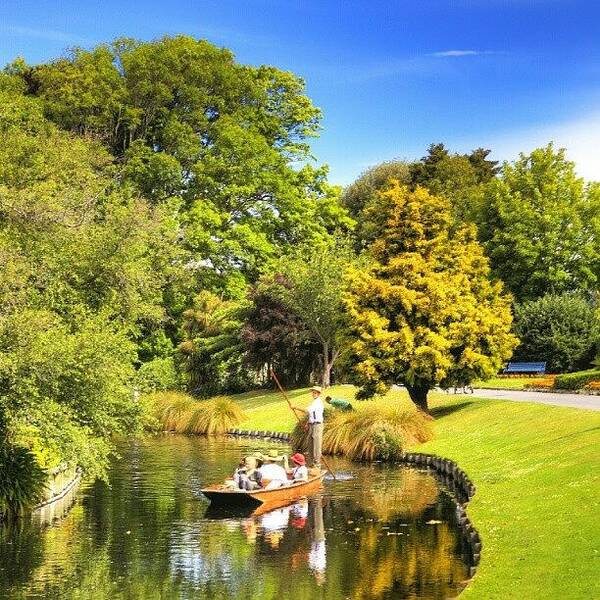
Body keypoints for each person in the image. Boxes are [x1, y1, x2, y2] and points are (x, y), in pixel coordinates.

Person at [292, 385, 324, 469]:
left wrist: (295, 407)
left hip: (317, 425)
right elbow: (311, 414)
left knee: (316, 444)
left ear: (319, 394)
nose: (313, 394)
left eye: (315, 393)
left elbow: (307, 411)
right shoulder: (314, 402)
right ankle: (311, 463)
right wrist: (307, 423)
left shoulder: (318, 402)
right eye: (313, 392)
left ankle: (317, 464)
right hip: (312, 424)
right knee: (310, 444)